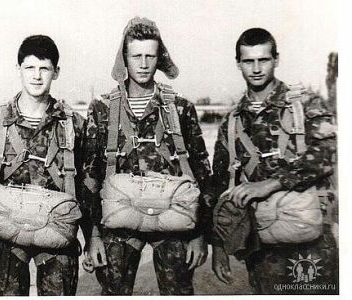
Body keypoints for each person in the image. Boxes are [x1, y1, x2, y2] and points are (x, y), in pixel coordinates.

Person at [82, 17, 215, 295]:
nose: (143, 64)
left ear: (159, 58)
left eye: (150, 56)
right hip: (119, 221)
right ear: (124, 58)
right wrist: (92, 236)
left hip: (172, 219)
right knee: (114, 289)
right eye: (136, 56)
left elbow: (201, 172)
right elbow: (91, 177)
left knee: (178, 289)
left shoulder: (180, 107)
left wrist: (200, 234)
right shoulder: (102, 109)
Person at [211, 28, 338, 294]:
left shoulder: (304, 104)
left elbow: (326, 155)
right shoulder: (232, 122)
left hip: (312, 240)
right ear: (238, 64)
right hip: (261, 245)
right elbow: (220, 185)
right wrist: (219, 247)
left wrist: (271, 184)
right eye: (248, 61)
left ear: (276, 60)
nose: (256, 68)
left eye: (263, 60)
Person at [0, 35, 88, 296]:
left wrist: (93, 238)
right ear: (18, 69)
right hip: (4, 237)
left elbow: (88, 186)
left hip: (57, 236)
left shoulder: (73, 125)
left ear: (56, 72)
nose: (36, 76)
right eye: (30, 67)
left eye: (44, 68)